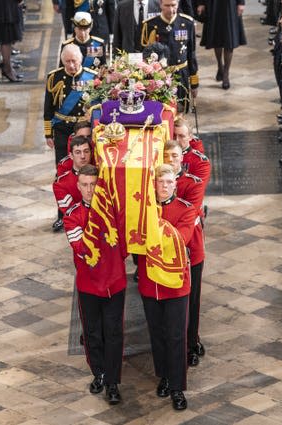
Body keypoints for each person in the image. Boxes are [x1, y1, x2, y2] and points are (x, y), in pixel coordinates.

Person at [63, 164, 126, 404]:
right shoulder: (72, 215)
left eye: (93, 184)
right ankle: (98, 372)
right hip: (89, 284)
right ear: (78, 187)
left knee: (113, 333)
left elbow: (124, 247)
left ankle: (112, 381)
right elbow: (81, 248)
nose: (89, 190)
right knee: (92, 333)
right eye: (85, 185)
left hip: (115, 282)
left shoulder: (115, 211)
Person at [138, 164, 196, 411]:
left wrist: (150, 229)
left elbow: (179, 239)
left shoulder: (186, 209)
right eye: (160, 182)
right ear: (154, 184)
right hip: (150, 283)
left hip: (175, 284)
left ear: (175, 184)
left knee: (175, 335)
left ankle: (177, 387)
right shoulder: (143, 211)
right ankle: (163, 375)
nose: (165, 186)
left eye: (169, 182)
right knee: (157, 333)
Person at [162, 140, 206, 365]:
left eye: (175, 156)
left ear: (182, 158)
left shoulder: (192, 183)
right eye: (167, 156)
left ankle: (191, 342)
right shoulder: (159, 182)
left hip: (190, 248)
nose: (171, 160)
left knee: (192, 299)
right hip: (161, 251)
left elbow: (190, 211)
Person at [141, 0, 198, 112]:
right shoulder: (150, 24)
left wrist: (194, 83)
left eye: (173, 5)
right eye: (167, 5)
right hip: (159, 77)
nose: (171, 9)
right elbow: (145, 56)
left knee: (180, 111)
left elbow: (191, 55)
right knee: (161, 112)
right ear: (160, 4)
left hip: (181, 74)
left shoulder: (187, 23)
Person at [44, 44, 96, 166]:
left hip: (84, 127)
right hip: (62, 127)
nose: (71, 65)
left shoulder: (92, 76)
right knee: (63, 163)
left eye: (74, 61)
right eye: (67, 61)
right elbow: (48, 107)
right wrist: (48, 134)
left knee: (86, 161)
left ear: (80, 60)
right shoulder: (54, 77)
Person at [197, 0, 246, 89]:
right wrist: (201, 3)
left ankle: (226, 73)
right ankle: (220, 66)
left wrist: (241, 3)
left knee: (229, 39)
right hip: (213, 4)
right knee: (216, 37)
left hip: (230, 4)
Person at [52, 136, 93, 232]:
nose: (83, 156)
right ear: (70, 155)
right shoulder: (61, 183)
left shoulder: (101, 176)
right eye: (78, 152)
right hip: (81, 229)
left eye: (86, 151)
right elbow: (72, 215)